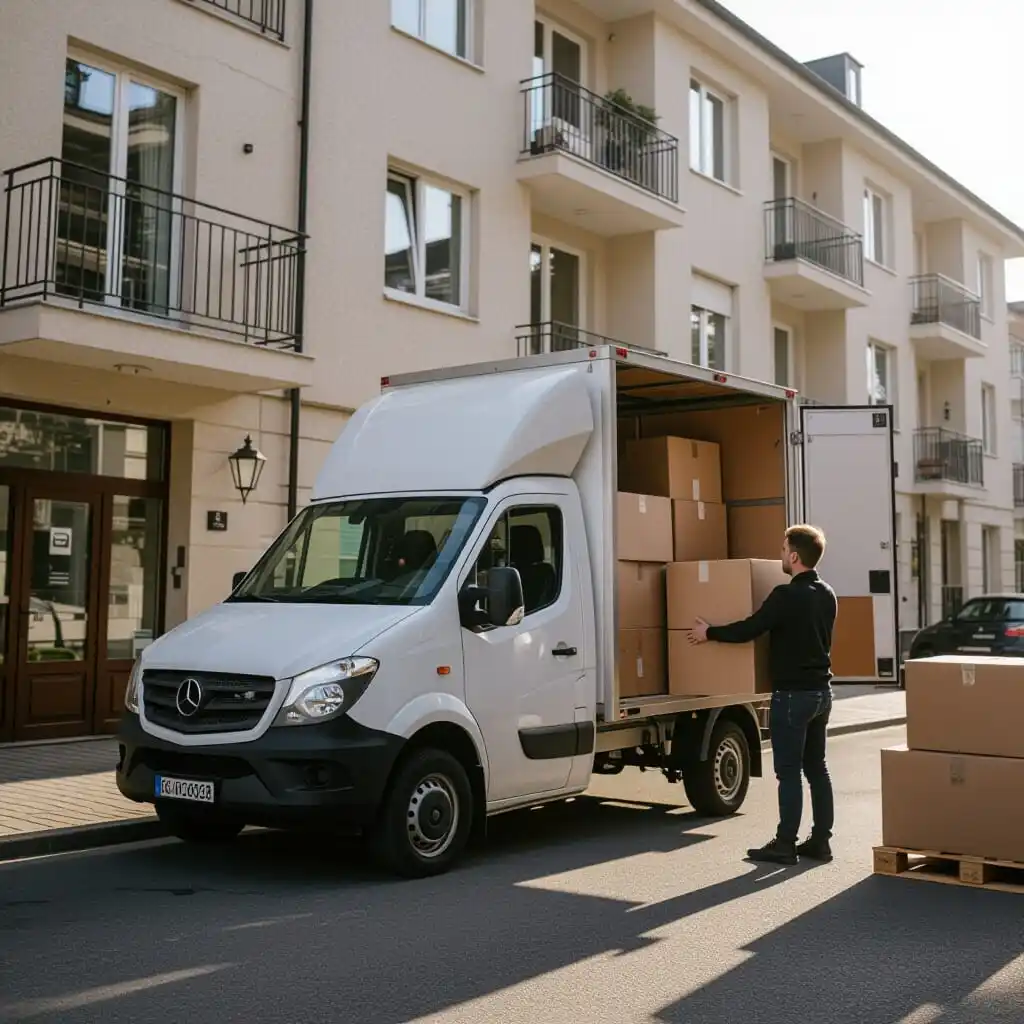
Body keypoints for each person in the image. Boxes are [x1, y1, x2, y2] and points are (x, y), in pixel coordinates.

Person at [687, 524, 837, 866]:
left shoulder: (785, 596)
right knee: (817, 768)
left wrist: (708, 632)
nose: (781, 555)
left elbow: (749, 629)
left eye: (784, 550)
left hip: (792, 697)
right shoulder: (827, 593)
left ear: (795, 556)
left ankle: (785, 843)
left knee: (788, 772)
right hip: (821, 693)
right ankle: (821, 842)